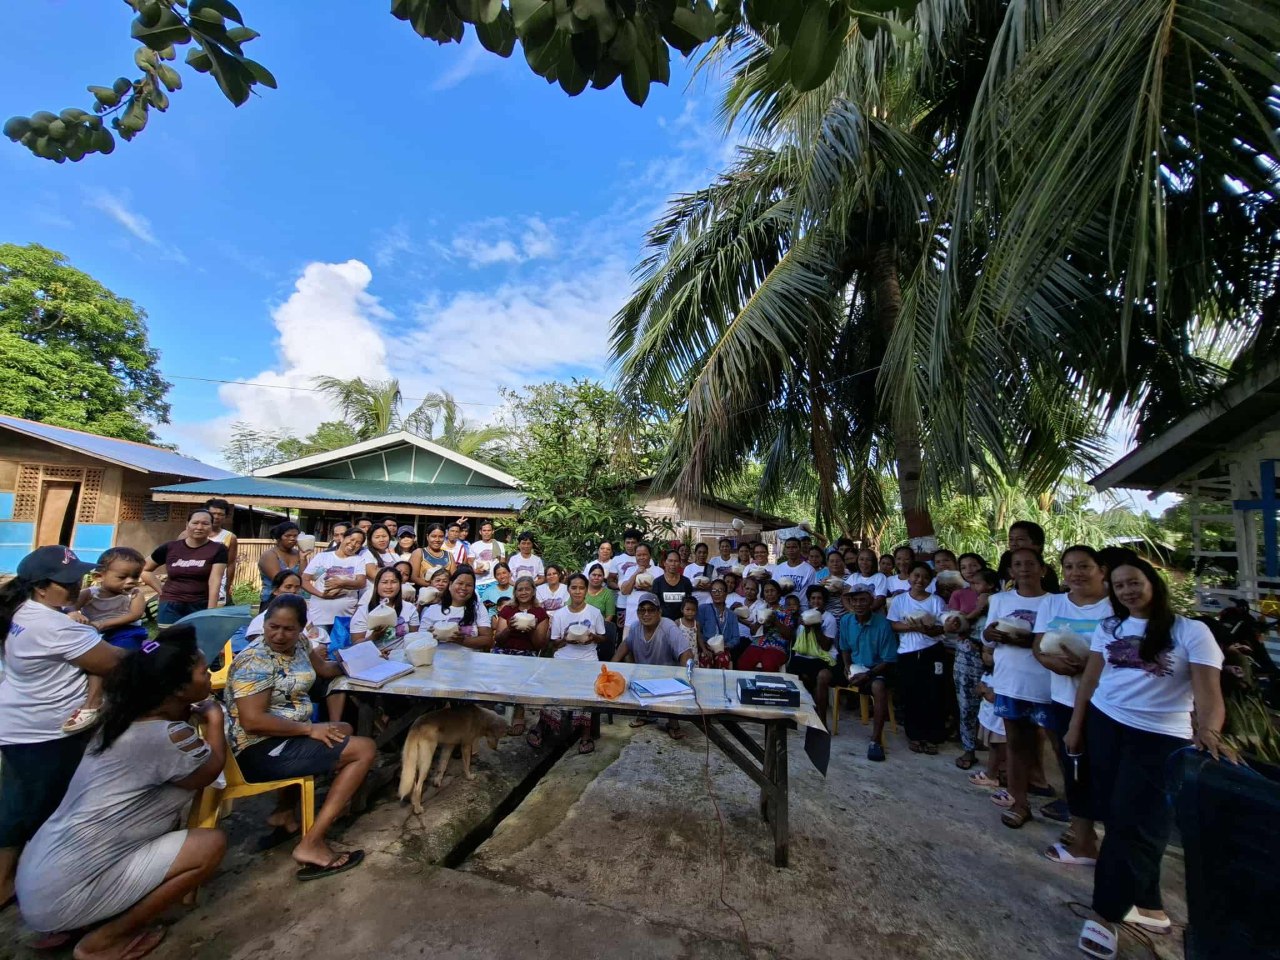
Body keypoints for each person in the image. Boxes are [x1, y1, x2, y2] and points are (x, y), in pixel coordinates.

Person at [14, 625, 227, 960]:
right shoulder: (166, 737)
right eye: (204, 671)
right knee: (209, 845)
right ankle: (103, 941)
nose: (210, 675)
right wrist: (215, 722)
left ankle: (80, 920)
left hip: (37, 881)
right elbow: (208, 771)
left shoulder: (119, 721)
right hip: (62, 895)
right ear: (177, 688)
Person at [1067, 558, 1227, 954]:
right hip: (1105, 725)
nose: (1127, 591)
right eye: (1120, 585)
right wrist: (1076, 725)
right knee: (1121, 817)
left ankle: (1105, 913)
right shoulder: (1110, 627)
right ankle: (1149, 905)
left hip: (1160, 738)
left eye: (1134, 582)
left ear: (1153, 582)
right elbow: (1091, 679)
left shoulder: (1191, 631)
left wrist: (1209, 733)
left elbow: (1209, 694)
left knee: (1134, 823)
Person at [0, 547, 126, 908]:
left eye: (77, 579)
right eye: (67, 582)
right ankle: (49, 894)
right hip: (49, 732)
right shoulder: (53, 627)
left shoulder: (22, 611)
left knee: (17, 804)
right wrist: (152, 650)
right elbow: (114, 662)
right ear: (41, 587)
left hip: (18, 723)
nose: (76, 587)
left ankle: (6, 880)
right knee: (50, 814)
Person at [227, 595, 376, 878]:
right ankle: (312, 843)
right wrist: (309, 730)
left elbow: (325, 670)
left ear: (301, 628)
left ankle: (284, 813)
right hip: (258, 749)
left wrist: (363, 661)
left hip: (287, 735)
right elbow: (253, 721)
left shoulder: (300, 645)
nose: (279, 635)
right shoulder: (255, 661)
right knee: (364, 749)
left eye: (289, 629)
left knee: (344, 728)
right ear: (264, 622)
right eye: (273, 627)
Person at [1033, 545, 1112, 865]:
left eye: (1084, 566)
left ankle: (1116, 843)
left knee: (1107, 771)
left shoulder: (1115, 606)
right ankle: (1084, 839)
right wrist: (1051, 662)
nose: (1075, 573)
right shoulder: (1053, 603)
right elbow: (1038, 647)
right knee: (1074, 768)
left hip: (1107, 703)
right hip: (1064, 698)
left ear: (1101, 570)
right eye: (1069, 567)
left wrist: (1089, 667)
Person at [983, 548, 1052, 828]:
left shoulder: (1055, 602)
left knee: (1058, 746)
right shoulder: (1000, 600)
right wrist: (990, 634)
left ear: (1042, 569)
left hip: (1047, 684)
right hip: (1010, 680)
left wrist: (1027, 640)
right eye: (1018, 564)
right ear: (1010, 571)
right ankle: (1019, 802)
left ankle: (1077, 820)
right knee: (1014, 744)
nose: (1024, 569)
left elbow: (1052, 641)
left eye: (1030, 564)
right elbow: (988, 638)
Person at [62, 547, 148, 733]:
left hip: (126, 632)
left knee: (102, 662)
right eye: (122, 577)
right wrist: (74, 613)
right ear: (99, 576)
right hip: (95, 633)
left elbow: (134, 614)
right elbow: (70, 605)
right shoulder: (90, 593)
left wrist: (103, 623)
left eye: (135, 576)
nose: (130, 581)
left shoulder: (134, 594)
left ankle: (92, 703)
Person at [541, 573, 607, 753]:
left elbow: (603, 638)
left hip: (587, 659)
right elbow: (554, 643)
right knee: (551, 688)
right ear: (568, 590)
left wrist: (592, 637)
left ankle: (585, 734)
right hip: (563, 658)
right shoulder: (560, 614)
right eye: (574, 587)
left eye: (581, 588)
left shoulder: (594, 612)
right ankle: (545, 727)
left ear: (586, 590)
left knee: (586, 692)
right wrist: (565, 639)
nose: (577, 591)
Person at [613, 593, 692, 739]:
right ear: (637, 613)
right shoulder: (635, 626)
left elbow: (686, 653)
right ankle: (645, 715)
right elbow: (625, 645)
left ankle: (673, 723)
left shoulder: (668, 627)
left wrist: (685, 679)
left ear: (659, 612)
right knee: (633, 675)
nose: (646, 614)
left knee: (671, 692)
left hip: (667, 675)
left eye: (651, 610)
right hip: (644, 674)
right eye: (642, 610)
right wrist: (611, 666)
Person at [887, 561, 947, 754]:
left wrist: (928, 630)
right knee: (911, 694)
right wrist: (914, 627)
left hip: (932, 651)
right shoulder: (899, 600)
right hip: (908, 652)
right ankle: (914, 735)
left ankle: (933, 737)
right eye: (916, 575)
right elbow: (894, 625)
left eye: (925, 577)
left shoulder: (936, 601)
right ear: (909, 577)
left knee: (933, 693)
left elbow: (942, 628)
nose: (920, 580)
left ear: (930, 580)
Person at [839, 585, 898, 761]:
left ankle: (876, 740)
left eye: (863, 600)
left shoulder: (883, 624)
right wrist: (847, 667)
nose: (858, 604)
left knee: (878, 687)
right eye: (854, 600)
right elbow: (845, 648)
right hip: (854, 668)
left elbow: (888, 659)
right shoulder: (846, 620)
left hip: (875, 669)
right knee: (823, 676)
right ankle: (819, 726)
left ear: (871, 601)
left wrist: (867, 675)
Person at [142, 508, 228, 626]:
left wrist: (210, 611)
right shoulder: (170, 547)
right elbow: (144, 569)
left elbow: (215, 581)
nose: (199, 527)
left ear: (211, 526)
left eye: (205, 523)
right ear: (187, 525)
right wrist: (161, 591)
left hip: (199, 605)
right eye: (195, 523)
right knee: (169, 637)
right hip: (170, 605)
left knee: (197, 637)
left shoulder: (218, 549)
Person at [952, 567, 999, 771]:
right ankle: (969, 748)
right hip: (968, 657)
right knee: (966, 704)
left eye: (977, 583)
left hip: (993, 660)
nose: (973, 587)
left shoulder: (1001, 602)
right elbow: (958, 626)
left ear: (990, 585)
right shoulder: (971, 601)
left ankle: (997, 757)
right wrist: (977, 610)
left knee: (995, 706)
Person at [493, 577, 550, 737]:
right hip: (504, 650)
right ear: (515, 592)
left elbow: (539, 644)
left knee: (523, 671)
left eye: (527, 589)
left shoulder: (540, 613)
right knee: (496, 667)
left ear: (533, 591)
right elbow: (498, 639)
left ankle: (519, 713)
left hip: (526, 652)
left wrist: (531, 630)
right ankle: (498, 714)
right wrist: (510, 629)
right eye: (520, 589)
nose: (523, 592)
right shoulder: (508, 610)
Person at [301, 528, 368, 651]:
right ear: (342, 538)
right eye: (351, 539)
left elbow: (361, 582)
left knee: (340, 653)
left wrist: (342, 582)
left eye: (358, 542)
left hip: (345, 615)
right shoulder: (322, 557)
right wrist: (321, 594)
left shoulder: (358, 560)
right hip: (320, 615)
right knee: (318, 649)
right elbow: (304, 580)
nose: (353, 544)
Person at [242, 571, 329, 653]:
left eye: (297, 587)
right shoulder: (260, 621)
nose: (293, 591)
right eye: (288, 587)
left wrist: (321, 646)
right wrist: (310, 654)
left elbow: (313, 634)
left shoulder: (304, 614)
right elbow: (261, 651)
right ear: (275, 590)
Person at [790, 585, 839, 718]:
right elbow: (798, 641)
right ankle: (796, 713)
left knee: (817, 676)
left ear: (824, 601)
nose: (816, 601)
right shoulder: (804, 615)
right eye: (813, 598)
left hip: (822, 657)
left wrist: (816, 628)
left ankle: (820, 717)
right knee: (792, 669)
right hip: (805, 656)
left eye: (819, 598)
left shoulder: (829, 618)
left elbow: (826, 647)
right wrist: (800, 624)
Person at [421, 566, 493, 650]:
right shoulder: (433, 609)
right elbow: (420, 640)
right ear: (450, 585)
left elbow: (488, 641)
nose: (463, 588)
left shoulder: (478, 608)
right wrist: (429, 636)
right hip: (438, 656)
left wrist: (462, 641)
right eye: (460, 583)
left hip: (470, 657)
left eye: (469, 585)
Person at [350, 567, 419, 653]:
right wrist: (373, 637)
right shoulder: (363, 611)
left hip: (401, 657)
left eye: (394, 582)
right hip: (371, 657)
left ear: (400, 584)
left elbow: (414, 639)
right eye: (384, 582)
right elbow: (355, 645)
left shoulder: (409, 608)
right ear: (377, 585)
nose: (389, 586)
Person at [738, 580, 795, 672]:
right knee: (743, 662)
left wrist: (775, 621)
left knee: (769, 664)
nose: (769, 594)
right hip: (758, 644)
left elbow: (789, 635)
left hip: (777, 646)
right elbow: (753, 633)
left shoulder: (786, 612)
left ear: (778, 593)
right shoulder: (760, 610)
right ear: (763, 595)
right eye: (766, 591)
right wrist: (759, 621)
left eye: (772, 591)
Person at [997, 520, 1061, 592]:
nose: (1013, 544)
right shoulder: (1006, 559)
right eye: (1011, 539)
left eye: (1020, 539)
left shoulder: (1046, 573)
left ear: (1037, 544)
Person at [697, 580, 746, 664]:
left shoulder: (732, 615)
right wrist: (705, 646)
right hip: (705, 647)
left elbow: (736, 638)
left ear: (726, 593)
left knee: (722, 659)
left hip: (723, 649)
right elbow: (698, 631)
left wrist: (726, 646)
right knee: (705, 658)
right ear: (710, 593)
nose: (717, 593)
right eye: (714, 591)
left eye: (720, 590)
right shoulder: (703, 609)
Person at [258, 521, 303, 607]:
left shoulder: (298, 554)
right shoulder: (269, 555)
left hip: (296, 599)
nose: (292, 538)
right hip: (273, 600)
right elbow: (280, 580)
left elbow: (303, 577)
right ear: (279, 537)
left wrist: (303, 558)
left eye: (295, 536)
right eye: (288, 536)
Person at [204, 498, 238, 605]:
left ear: (225, 516)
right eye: (213, 513)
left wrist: (228, 587)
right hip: (193, 584)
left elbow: (230, 564)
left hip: (218, 585)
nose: (216, 517)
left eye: (220, 514)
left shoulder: (230, 537)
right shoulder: (189, 535)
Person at [618, 542, 656, 626]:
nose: (641, 557)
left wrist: (648, 589)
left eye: (644, 554)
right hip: (632, 616)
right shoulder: (630, 570)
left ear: (650, 556)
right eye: (638, 555)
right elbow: (624, 591)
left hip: (652, 616)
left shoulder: (659, 571)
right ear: (635, 556)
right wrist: (636, 573)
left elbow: (661, 593)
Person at [770, 537, 815, 602]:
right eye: (788, 547)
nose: (791, 550)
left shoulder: (809, 569)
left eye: (794, 547)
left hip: (802, 607)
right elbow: (773, 588)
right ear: (785, 550)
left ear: (800, 549)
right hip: (782, 606)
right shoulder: (779, 568)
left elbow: (812, 592)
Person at [656, 549, 694, 620]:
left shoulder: (686, 582)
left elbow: (690, 604)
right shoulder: (657, 582)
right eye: (670, 561)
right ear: (664, 563)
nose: (673, 564)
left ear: (680, 563)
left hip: (682, 622)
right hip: (663, 622)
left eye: (676, 561)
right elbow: (655, 605)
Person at [683, 542, 715, 606]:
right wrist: (695, 587)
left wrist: (709, 587)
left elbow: (716, 586)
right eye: (699, 552)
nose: (702, 555)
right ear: (695, 553)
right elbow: (684, 586)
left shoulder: (711, 568)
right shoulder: (689, 568)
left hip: (708, 601)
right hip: (692, 601)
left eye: (704, 553)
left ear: (707, 554)